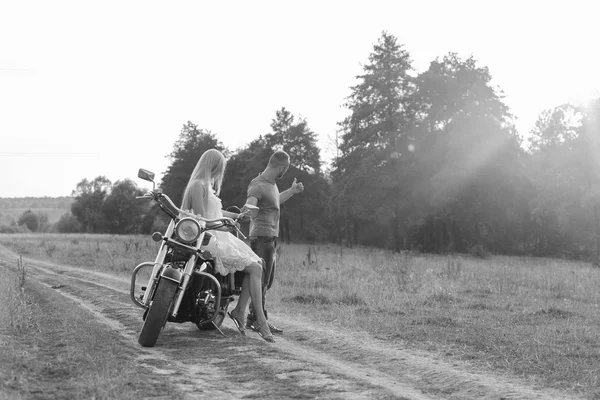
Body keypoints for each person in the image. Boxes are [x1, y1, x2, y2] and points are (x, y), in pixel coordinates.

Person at [180, 149, 275, 343]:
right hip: (210, 238)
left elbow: (214, 211)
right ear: (214, 166)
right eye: (220, 168)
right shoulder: (198, 185)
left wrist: (235, 216)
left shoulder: (204, 185)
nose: (219, 173)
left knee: (257, 264)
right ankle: (257, 320)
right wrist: (223, 224)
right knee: (256, 267)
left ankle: (241, 311)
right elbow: (202, 217)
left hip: (218, 235)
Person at [243, 150, 304, 333]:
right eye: (286, 169)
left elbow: (274, 202)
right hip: (261, 238)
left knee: (266, 282)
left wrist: (292, 191)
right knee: (260, 281)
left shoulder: (272, 185)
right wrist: (248, 211)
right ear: (281, 167)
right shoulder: (258, 184)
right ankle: (257, 320)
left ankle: (254, 317)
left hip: (270, 239)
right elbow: (249, 207)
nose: (285, 172)